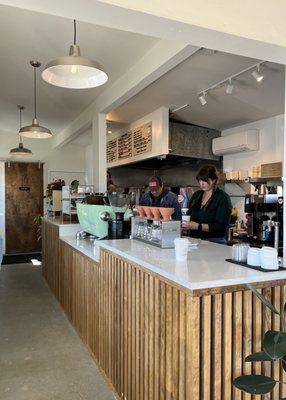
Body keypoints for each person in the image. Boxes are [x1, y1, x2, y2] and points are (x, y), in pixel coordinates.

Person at [183, 165, 231, 243]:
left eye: (205, 180)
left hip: (214, 242)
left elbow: (221, 226)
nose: (201, 184)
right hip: (195, 241)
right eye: (200, 180)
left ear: (214, 180)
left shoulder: (222, 198)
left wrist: (198, 226)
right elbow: (188, 214)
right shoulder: (197, 195)